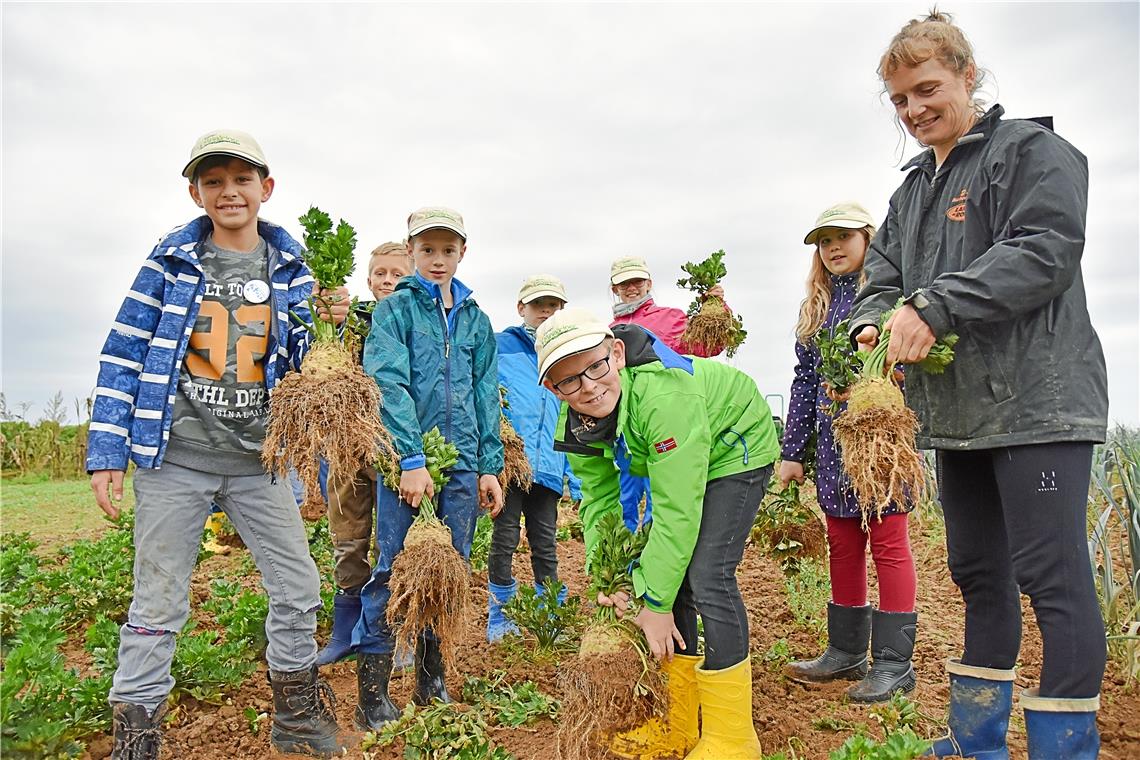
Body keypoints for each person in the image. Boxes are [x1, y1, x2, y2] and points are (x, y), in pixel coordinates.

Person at [852, 12, 1108, 758]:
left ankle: (1065, 748)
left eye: (927, 88)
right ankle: (978, 741)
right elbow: (881, 277)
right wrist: (874, 323)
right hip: (957, 409)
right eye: (899, 99)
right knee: (976, 571)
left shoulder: (1032, 152)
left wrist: (934, 305)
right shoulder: (912, 192)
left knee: (1051, 576)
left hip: (1039, 402)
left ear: (968, 74)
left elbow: (1045, 250)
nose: (914, 109)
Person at [86, 129, 350, 759]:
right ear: (195, 192)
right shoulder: (170, 262)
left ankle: (294, 714)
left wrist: (335, 324)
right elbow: (123, 352)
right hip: (176, 457)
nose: (229, 191)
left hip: (261, 464)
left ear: (266, 188)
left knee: (298, 588)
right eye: (214, 181)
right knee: (159, 597)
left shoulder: (295, 271)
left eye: (241, 179)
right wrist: (106, 452)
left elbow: (305, 365)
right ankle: (137, 735)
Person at [539, 308, 779, 760]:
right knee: (673, 580)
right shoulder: (576, 427)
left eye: (595, 367)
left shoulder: (662, 396)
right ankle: (679, 723)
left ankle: (733, 737)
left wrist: (653, 601)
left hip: (735, 443)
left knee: (707, 574)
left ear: (616, 354)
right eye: (570, 381)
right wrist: (610, 579)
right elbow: (599, 504)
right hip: (688, 456)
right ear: (554, 389)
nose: (589, 386)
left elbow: (676, 511)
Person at [354, 206, 504, 729]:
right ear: (412, 251)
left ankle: (430, 679)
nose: (437, 260)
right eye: (427, 250)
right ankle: (372, 694)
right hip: (408, 463)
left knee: (449, 571)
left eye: (448, 250)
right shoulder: (395, 312)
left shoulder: (477, 320)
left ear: (463, 252)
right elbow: (387, 383)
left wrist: (489, 465)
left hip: (462, 464)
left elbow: (486, 394)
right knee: (392, 568)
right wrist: (411, 458)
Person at [777, 202, 918, 703]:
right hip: (833, 444)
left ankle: (896, 664)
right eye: (824, 241)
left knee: (888, 542)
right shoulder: (816, 309)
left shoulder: (890, 298)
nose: (833, 247)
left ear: (868, 239)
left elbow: (911, 365)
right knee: (842, 541)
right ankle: (846, 651)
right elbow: (804, 381)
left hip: (877, 439)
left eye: (843, 237)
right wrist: (792, 451)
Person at [316, 241, 413, 666]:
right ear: (369, 279)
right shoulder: (351, 322)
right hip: (347, 449)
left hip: (394, 451)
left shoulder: (415, 320)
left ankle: (399, 631)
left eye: (397, 273)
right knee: (348, 536)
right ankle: (345, 631)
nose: (387, 281)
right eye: (380, 273)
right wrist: (327, 316)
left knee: (397, 543)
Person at [486, 274, 583, 642]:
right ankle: (502, 614)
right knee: (505, 537)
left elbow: (574, 416)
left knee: (545, 542)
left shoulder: (567, 355)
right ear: (520, 308)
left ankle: (549, 614)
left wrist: (574, 477)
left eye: (554, 305)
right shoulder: (499, 346)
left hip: (549, 466)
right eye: (538, 304)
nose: (546, 311)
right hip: (512, 466)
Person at [609, 256, 730, 531]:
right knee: (623, 495)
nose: (631, 288)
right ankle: (623, 553)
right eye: (624, 283)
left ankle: (654, 549)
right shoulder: (609, 332)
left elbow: (709, 346)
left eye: (637, 281)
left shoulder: (671, 318)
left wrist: (716, 307)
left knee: (660, 491)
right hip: (626, 425)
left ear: (648, 283)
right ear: (614, 288)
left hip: (665, 420)